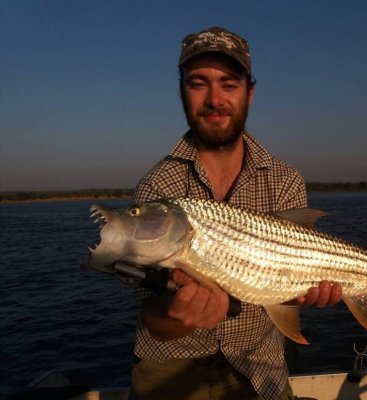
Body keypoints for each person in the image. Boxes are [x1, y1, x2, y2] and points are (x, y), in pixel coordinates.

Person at [129, 26, 342, 400]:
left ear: (250, 92)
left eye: (228, 84)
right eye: (198, 83)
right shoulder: (156, 188)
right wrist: (174, 316)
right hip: (171, 367)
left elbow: (284, 289)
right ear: (181, 91)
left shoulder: (286, 179)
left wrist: (309, 293)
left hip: (259, 365)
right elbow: (149, 316)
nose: (215, 99)